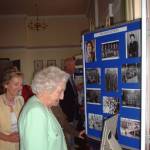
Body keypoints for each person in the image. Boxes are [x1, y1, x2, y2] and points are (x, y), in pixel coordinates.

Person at [18, 66, 70, 150]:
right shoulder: (36, 112)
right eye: (60, 91)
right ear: (47, 89)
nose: (62, 97)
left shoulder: (43, 106)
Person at [0, 68, 24, 150]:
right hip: (3, 145)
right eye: (16, 84)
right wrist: (8, 138)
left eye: (21, 84)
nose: (20, 88)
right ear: (6, 85)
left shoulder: (21, 100)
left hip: (20, 145)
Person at [60, 57, 79, 123]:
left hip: (74, 114)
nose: (75, 67)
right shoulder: (62, 78)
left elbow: (70, 91)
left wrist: (77, 88)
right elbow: (63, 98)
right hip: (67, 115)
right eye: (73, 65)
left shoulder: (70, 76)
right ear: (67, 66)